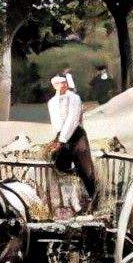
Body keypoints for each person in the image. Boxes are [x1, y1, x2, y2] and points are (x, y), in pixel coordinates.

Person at [46, 74, 98, 206]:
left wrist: (62, 140)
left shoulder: (74, 98)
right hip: (61, 136)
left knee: (85, 169)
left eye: (64, 83)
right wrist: (58, 138)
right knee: (60, 167)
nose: (62, 86)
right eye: (58, 84)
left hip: (76, 135)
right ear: (54, 86)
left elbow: (72, 120)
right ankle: (69, 202)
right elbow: (56, 122)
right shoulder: (52, 102)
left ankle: (93, 200)